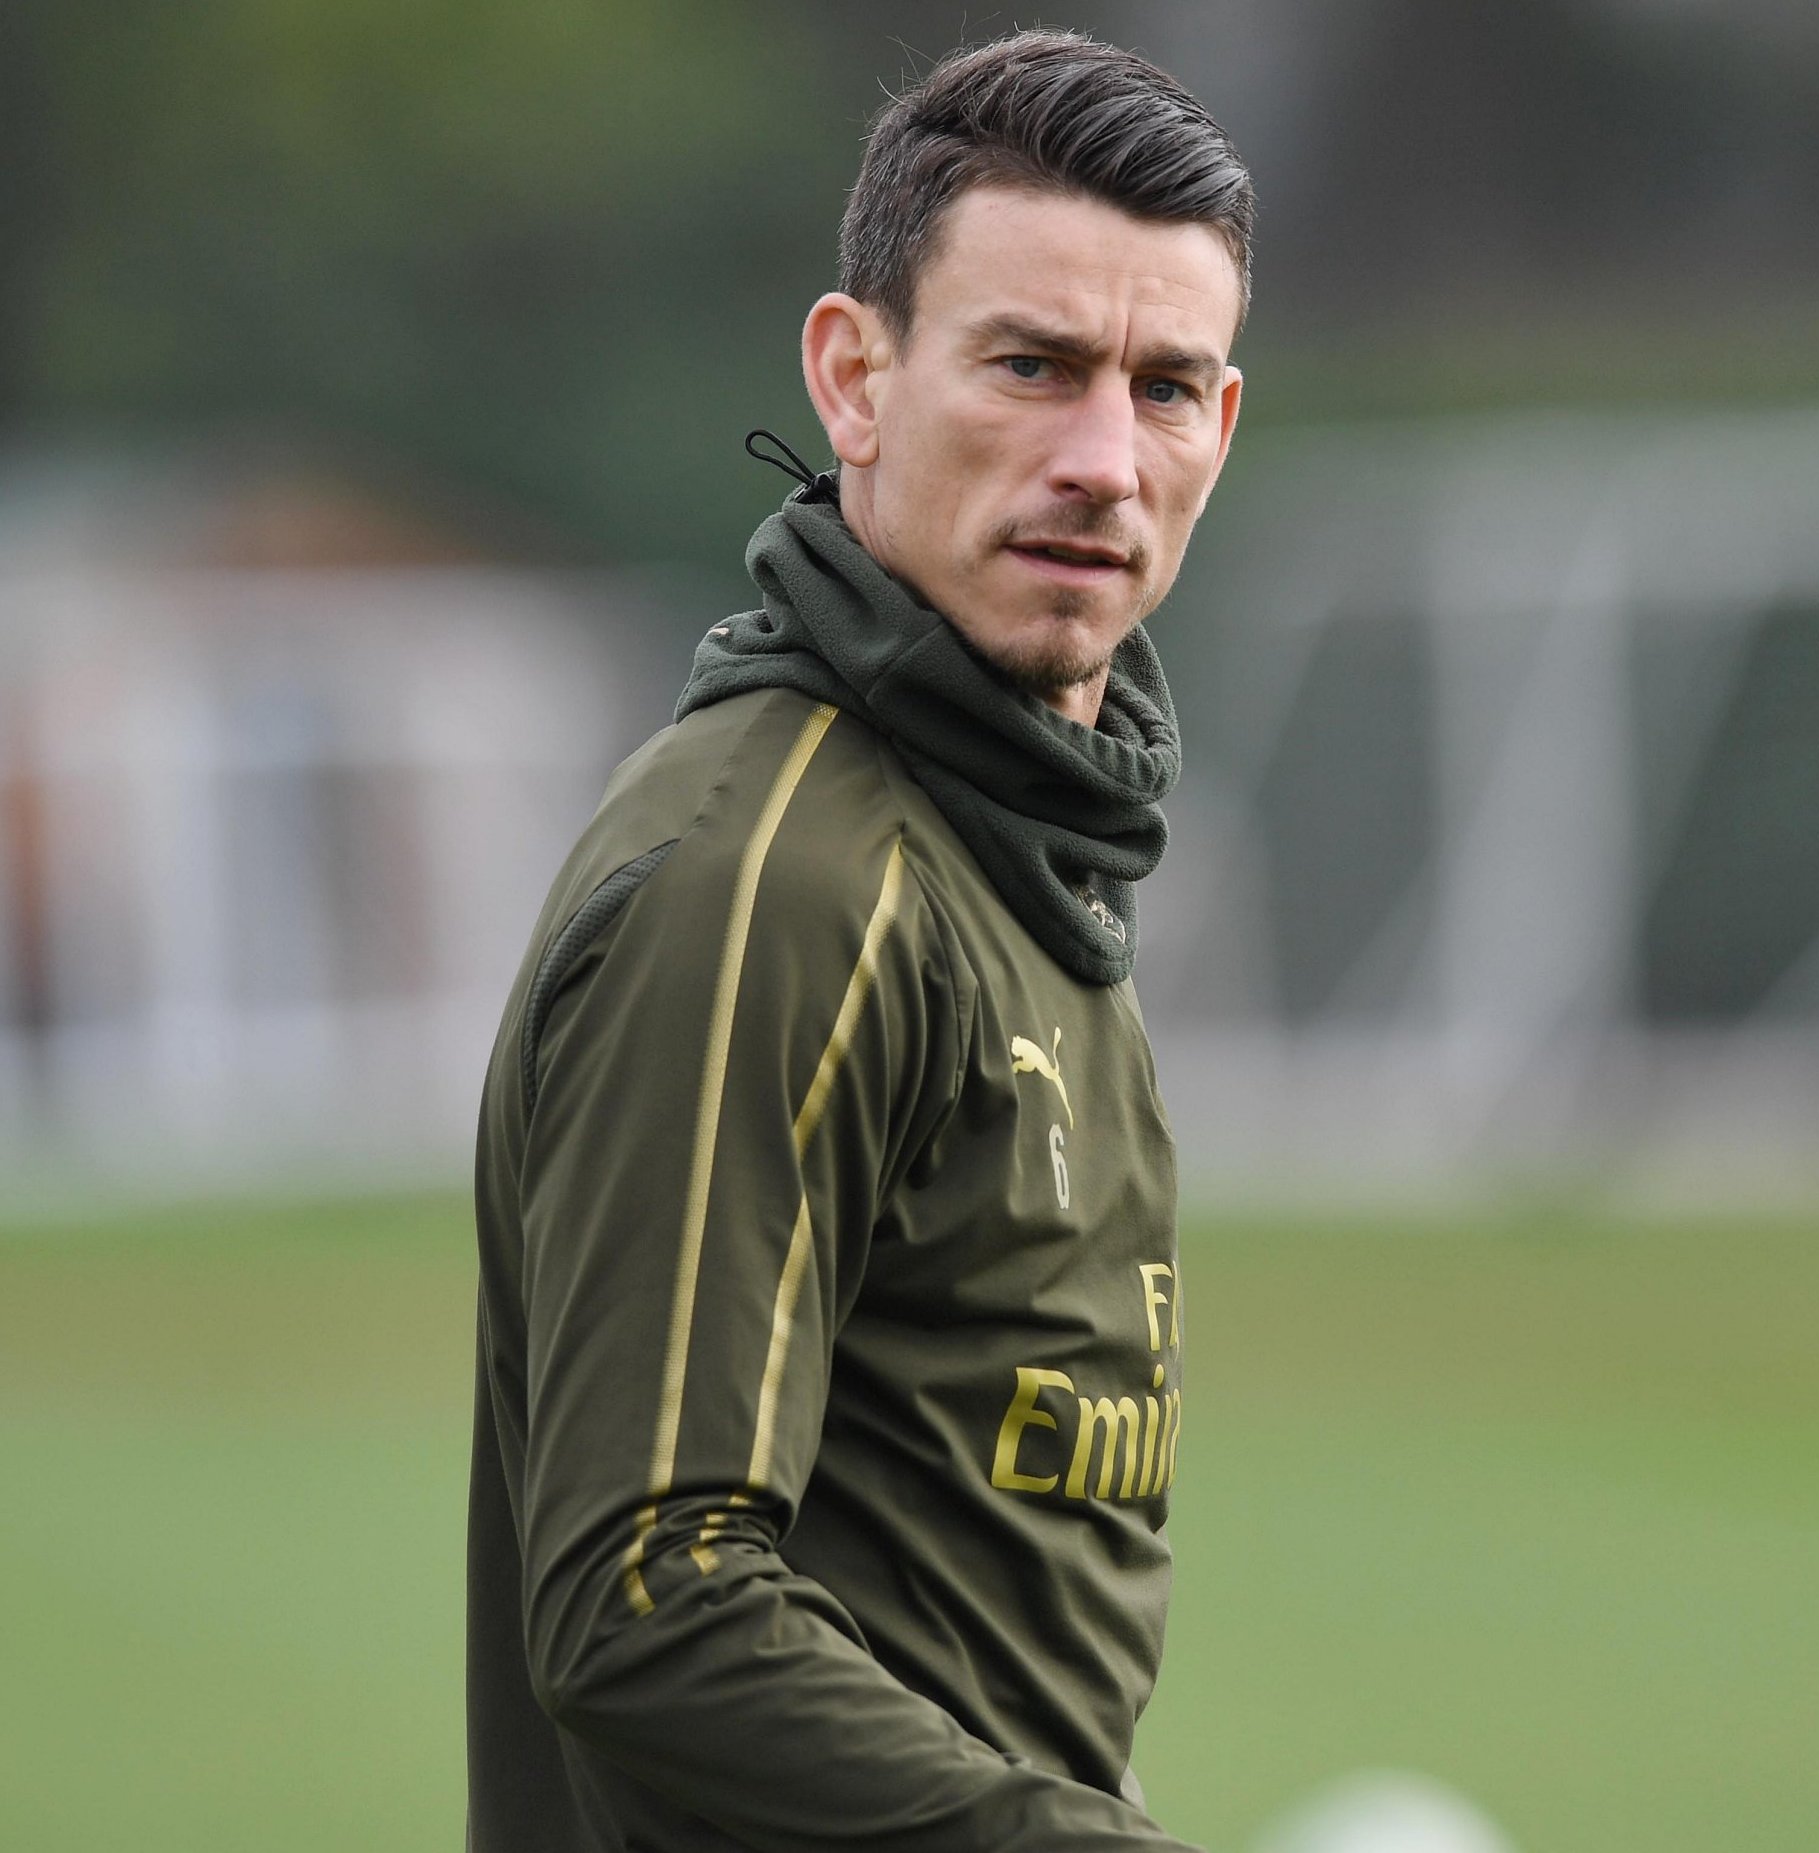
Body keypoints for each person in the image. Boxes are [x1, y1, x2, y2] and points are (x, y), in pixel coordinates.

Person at [465, 30, 1249, 1851]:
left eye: (1163, 387)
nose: (1102, 460)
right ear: (855, 375)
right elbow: (645, 1599)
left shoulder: (1026, 846)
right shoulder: (773, 882)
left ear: (1223, 424)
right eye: (1031, 366)